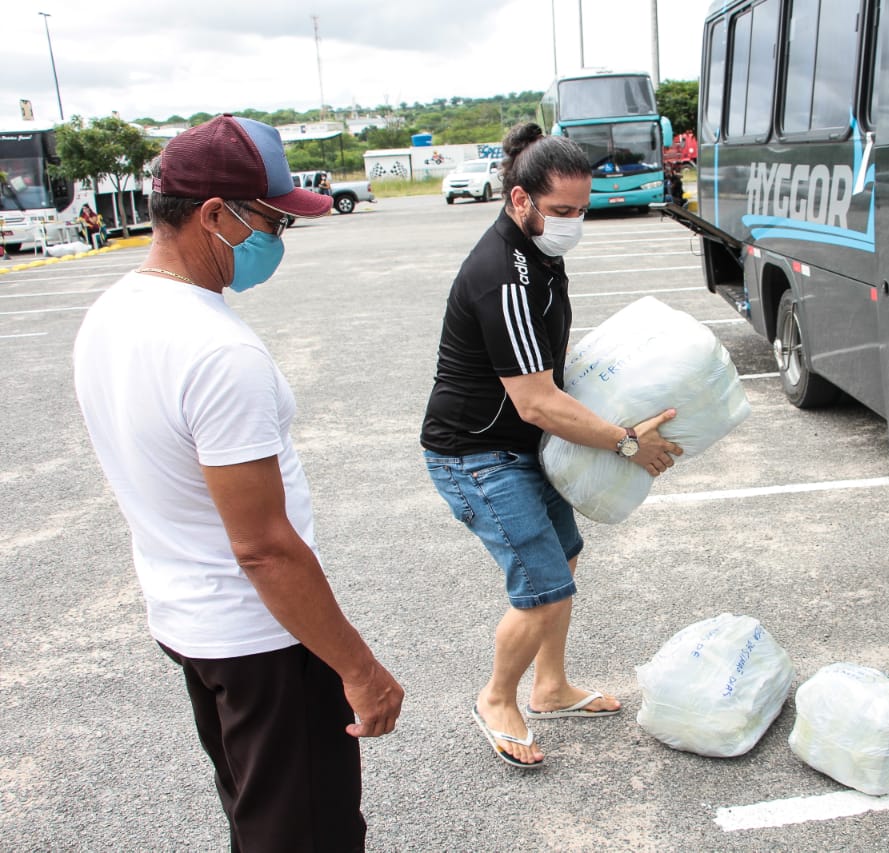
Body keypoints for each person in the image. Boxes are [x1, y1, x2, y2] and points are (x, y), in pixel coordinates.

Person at [73, 114, 404, 850]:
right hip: (264, 639)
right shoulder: (217, 349)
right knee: (306, 833)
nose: (276, 242)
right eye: (273, 223)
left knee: (258, 816)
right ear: (214, 214)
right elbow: (263, 547)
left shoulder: (110, 313)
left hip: (188, 621)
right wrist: (358, 666)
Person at [420, 123, 683, 769]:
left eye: (580, 211)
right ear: (519, 201)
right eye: (561, 211)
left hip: (522, 445)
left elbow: (552, 359)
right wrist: (625, 443)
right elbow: (535, 399)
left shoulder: (539, 254)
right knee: (542, 586)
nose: (573, 223)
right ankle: (496, 698)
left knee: (561, 561)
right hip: (475, 455)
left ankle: (551, 686)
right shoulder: (501, 276)